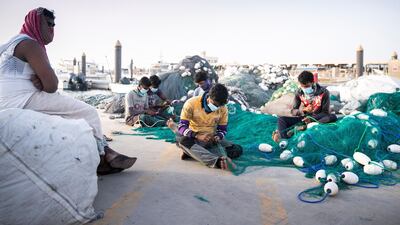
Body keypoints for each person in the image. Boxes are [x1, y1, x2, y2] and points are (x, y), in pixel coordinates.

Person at [0, 7, 136, 175]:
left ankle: (103, 151)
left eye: (54, 25)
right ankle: (102, 158)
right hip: (22, 99)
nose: (52, 29)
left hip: (6, 101)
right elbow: (51, 86)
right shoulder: (31, 44)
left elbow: (13, 76)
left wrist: (39, 79)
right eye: (48, 24)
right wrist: (43, 81)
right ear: (35, 24)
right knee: (89, 112)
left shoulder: (11, 45)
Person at [176, 83, 243, 170]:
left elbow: (222, 129)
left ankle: (194, 154)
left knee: (237, 149)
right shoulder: (191, 104)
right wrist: (197, 136)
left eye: (219, 106)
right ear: (209, 97)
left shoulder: (223, 108)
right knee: (183, 141)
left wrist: (218, 136)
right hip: (195, 138)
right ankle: (216, 162)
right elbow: (181, 127)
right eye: (215, 104)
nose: (216, 107)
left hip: (211, 139)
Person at [272, 71, 337, 143]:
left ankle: (304, 128)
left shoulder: (324, 92)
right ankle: (284, 140)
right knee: (282, 119)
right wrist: (303, 110)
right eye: (302, 86)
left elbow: (325, 112)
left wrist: (312, 119)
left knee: (332, 117)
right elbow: (293, 111)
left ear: (312, 82)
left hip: (319, 118)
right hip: (304, 119)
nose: (304, 88)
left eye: (306, 86)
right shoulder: (299, 92)